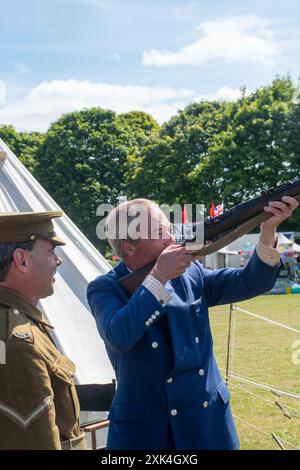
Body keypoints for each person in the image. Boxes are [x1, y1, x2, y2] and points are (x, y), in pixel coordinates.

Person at [87, 196, 298, 450]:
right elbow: (119, 336)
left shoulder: (190, 273)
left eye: (169, 229)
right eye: (160, 232)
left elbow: (250, 281)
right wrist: (159, 276)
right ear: (129, 247)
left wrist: (267, 230)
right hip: (148, 434)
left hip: (207, 424)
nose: (172, 238)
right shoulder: (105, 288)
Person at [0, 211, 87, 450]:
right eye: (51, 252)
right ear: (22, 259)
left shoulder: (17, 325)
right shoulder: (16, 341)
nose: (58, 261)